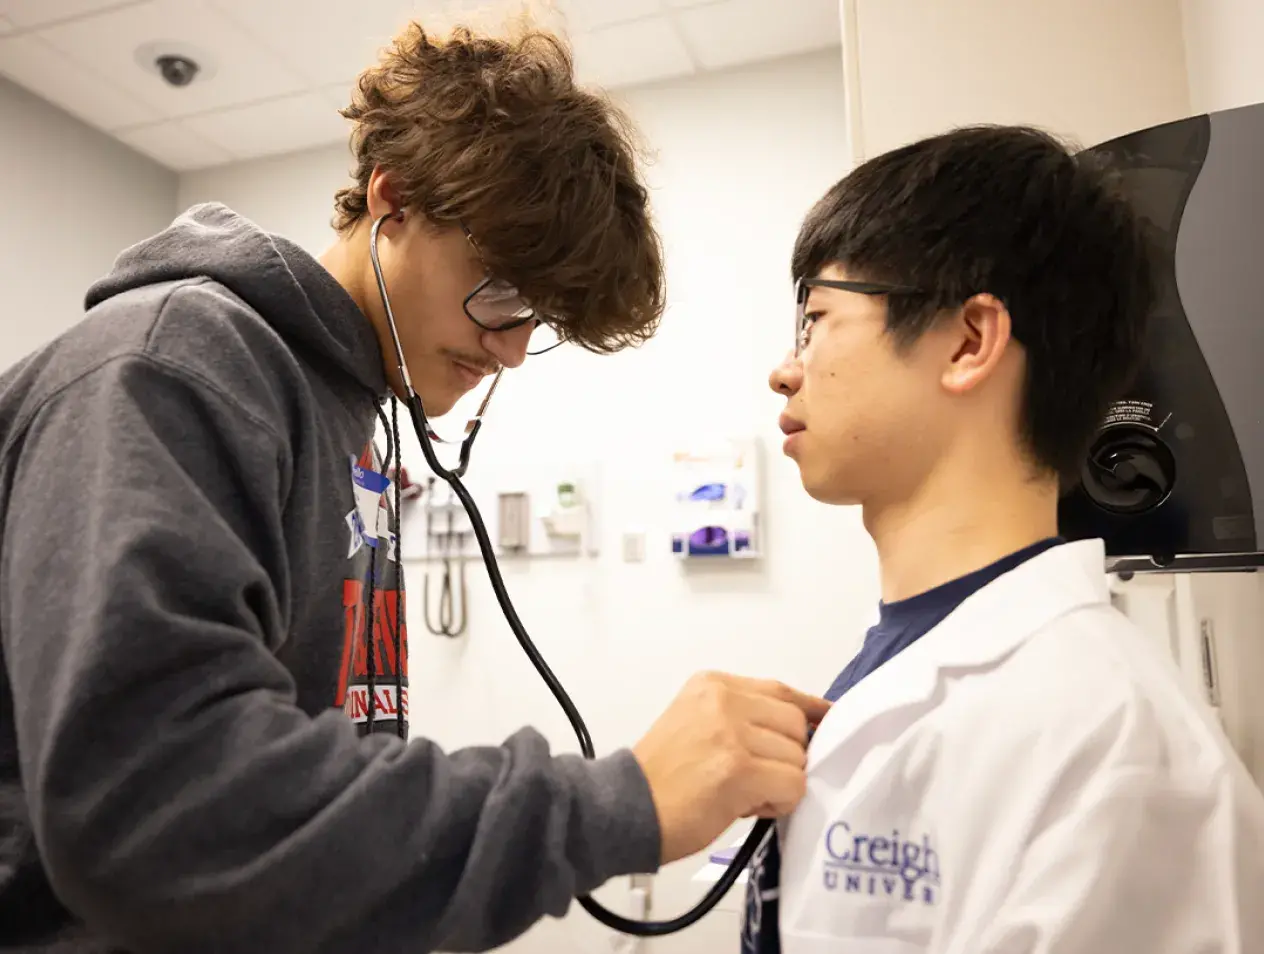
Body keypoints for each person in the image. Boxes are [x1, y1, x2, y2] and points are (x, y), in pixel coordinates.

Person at [0, 18, 830, 954]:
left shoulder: (356, 414)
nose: (509, 349)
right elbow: (154, 807)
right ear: (392, 202)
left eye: (536, 317)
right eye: (501, 291)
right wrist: (615, 804)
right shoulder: (174, 369)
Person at [746, 124, 1264, 953]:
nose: (784, 368)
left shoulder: (1111, 749)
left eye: (816, 319)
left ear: (967, 342)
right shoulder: (912, 663)